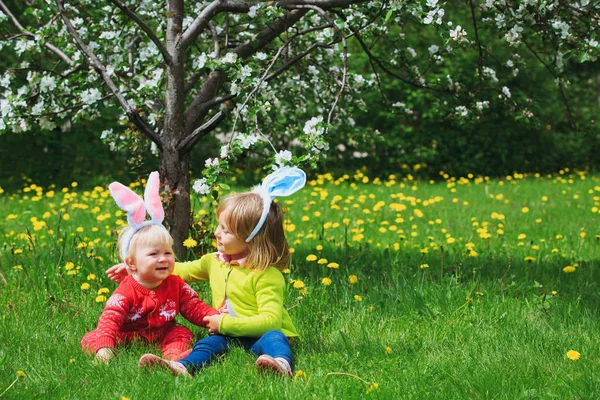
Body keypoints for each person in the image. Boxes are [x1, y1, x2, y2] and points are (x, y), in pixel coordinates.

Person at [106, 166, 306, 378]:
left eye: (226, 230)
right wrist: (137, 271)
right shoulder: (214, 261)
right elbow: (179, 270)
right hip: (228, 333)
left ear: (252, 239)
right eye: (219, 226)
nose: (216, 233)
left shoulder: (267, 275)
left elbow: (271, 320)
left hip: (261, 334)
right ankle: (183, 367)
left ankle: (280, 364)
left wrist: (224, 323)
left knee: (275, 338)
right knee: (207, 344)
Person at [82, 172, 217, 366]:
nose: (163, 259)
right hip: (127, 335)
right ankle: (108, 353)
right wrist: (105, 347)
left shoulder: (175, 284)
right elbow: (110, 319)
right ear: (132, 263)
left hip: (163, 332)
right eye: (153, 254)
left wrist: (214, 319)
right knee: (92, 338)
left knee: (181, 332)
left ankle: (172, 357)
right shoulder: (126, 291)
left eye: (168, 253)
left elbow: (193, 306)